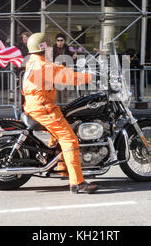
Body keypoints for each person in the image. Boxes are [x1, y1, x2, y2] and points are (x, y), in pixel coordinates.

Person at [22, 32, 98, 194]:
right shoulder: (44, 66)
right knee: (69, 139)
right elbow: (67, 76)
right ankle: (78, 183)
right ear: (44, 48)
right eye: (49, 47)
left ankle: (63, 166)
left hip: (34, 105)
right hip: (43, 107)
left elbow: (60, 70)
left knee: (60, 129)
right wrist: (89, 78)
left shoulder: (32, 62)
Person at [52, 33, 77, 104]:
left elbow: (80, 49)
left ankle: (64, 106)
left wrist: (75, 57)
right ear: (56, 41)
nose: (59, 42)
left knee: (64, 91)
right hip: (56, 72)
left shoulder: (68, 48)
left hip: (65, 71)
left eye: (61, 40)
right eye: (58, 40)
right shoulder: (52, 49)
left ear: (64, 41)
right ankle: (57, 106)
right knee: (56, 91)